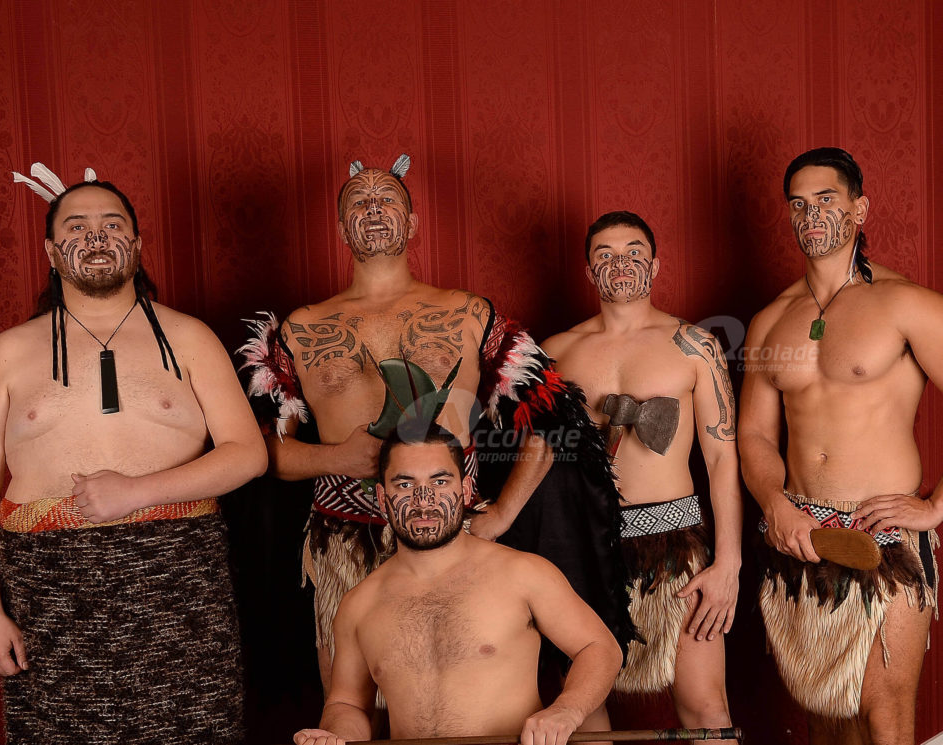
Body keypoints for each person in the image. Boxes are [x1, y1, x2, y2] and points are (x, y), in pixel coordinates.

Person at [240, 156, 633, 693]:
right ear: (338, 227)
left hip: (456, 535)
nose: (374, 209)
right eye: (360, 201)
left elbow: (553, 420)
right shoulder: (299, 330)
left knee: (457, 699)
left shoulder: (468, 314)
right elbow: (259, 449)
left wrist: (501, 515)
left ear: (413, 222)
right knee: (353, 705)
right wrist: (336, 458)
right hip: (346, 541)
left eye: (388, 201)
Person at [0, 166, 268, 744]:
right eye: (76, 226)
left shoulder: (189, 337)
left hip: (178, 579)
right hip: (48, 587)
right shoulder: (8, 352)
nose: (95, 237)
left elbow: (248, 454)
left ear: (138, 243)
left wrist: (137, 492)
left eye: (111, 223)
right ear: (51, 251)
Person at [739, 146, 941, 745]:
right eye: (798, 204)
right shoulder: (770, 320)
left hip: (884, 539)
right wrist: (773, 502)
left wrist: (935, 508)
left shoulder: (905, 304)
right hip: (799, 536)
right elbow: (753, 433)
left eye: (826, 199)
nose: (811, 214)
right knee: (825, 720)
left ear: (859, 209)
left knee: (883, 714)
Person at [292, 425, 623, 745]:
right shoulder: (358, 606)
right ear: (382, 497)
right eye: (404, 485)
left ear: (464, 490)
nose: (424, 500)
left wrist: (566, 711)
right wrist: (334, 737)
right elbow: (347, 705)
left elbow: (600, 649)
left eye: (439, 481)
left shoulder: (523, 574)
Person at [542, 211, 740, 742]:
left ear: (655, 265)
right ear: (588, 271)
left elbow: (722, 458)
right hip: (584, 542)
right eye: (605, 254)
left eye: (633, 251)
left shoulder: (694, 345)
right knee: (582, 710)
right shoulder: (555, 352)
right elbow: (536, 461)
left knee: (705, 707)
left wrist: (729, 562)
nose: (621, 263)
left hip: (675, 541)